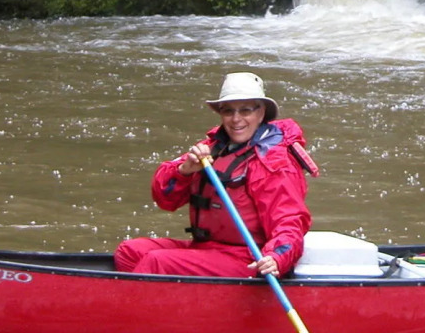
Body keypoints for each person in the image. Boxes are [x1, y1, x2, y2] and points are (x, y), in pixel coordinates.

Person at [114, 71, 317, 277]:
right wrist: (184, 171)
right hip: (208, 248)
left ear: (261, 112)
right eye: (228, 111)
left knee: (158, 262)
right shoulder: (212, 147)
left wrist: (277, 257)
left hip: (249, 259)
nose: (236, 119)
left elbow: (290, 221)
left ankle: (135, 297)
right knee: (130, 252)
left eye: (245, 110)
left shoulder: (274, 161)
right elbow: (165, 199)